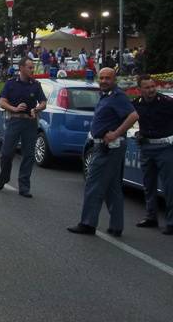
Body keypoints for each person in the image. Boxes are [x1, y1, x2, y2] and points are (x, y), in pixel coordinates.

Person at [67, 68, 139, 236]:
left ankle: (88, 223)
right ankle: (116, 226)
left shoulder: (117, 96)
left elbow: (133, 116)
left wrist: (116, 133)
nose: (104, 80)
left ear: (114, 80)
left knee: (93, 184)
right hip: (104, 145)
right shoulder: (106, 95)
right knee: (112, 187)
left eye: (108, 78)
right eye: (102, 78)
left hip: (109, 147)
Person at [0, 58, 47, 196]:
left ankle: (24, 186)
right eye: (30, 67)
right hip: (15, 121)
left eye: (32, 67)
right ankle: (3, 178)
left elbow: (43, 102)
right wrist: (14, 108)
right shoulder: (11, 84)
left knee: (28, 155)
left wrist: (36, 109)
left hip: (30, 122)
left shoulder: (36, 85)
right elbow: (2, 101)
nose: (32, 70)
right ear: (21, 68)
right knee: (6, 153)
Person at [132, 75, 173, 234]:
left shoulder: (167, 103)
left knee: (169, 186)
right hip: (146, 148)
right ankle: (151, 216)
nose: (151, 90)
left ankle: (171, 222)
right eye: (147, 88)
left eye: (152, 86)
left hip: (165, 148)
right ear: (140, 90)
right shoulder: (136, 104)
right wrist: (137, 133)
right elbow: (129, 119)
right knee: (148, 185)